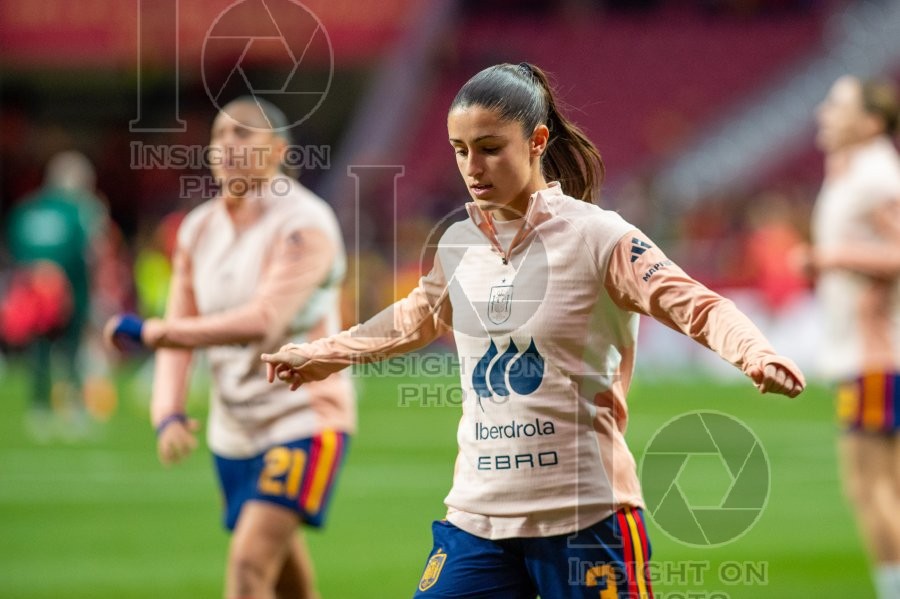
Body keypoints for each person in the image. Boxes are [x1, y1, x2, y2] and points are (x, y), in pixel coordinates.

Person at [261, 63, 805, 599]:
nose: (472, 167)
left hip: (587, 519)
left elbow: (698, 306)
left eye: (490, 147)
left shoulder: (600, 237)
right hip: (478, 520)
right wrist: (326, 353)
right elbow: (413, 318)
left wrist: (754, 352)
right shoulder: (458, 245)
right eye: (459, 149)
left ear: (537, 140)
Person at [105, 97, 354, 599]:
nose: (228, 146)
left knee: (246, 567)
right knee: (282, 573)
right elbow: (181, 322)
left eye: (244, 135)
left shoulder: (306, 223)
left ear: (280, 150)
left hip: (303, 418)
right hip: (232, 429)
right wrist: (167, 411)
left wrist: (156, 333)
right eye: (220, 136)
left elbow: (264, 321)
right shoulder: (197, 229)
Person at [807, 75, 900, 599]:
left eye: (837, 105)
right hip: (871, 353)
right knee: (884, 485)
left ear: (870, 122)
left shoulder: (877, 180)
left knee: (870, 486)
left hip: (874, 355)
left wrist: (831, 258)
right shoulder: (859, 173)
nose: (824, 112)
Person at [4, 150, 111, 440]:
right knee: (73, 349)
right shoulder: (81, 208)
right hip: (71, 288)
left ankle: (39, 407)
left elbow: (13, 245)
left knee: (39, 350)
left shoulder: (28, 208)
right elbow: (92, 249)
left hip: (33, 289)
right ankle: (72, 406)